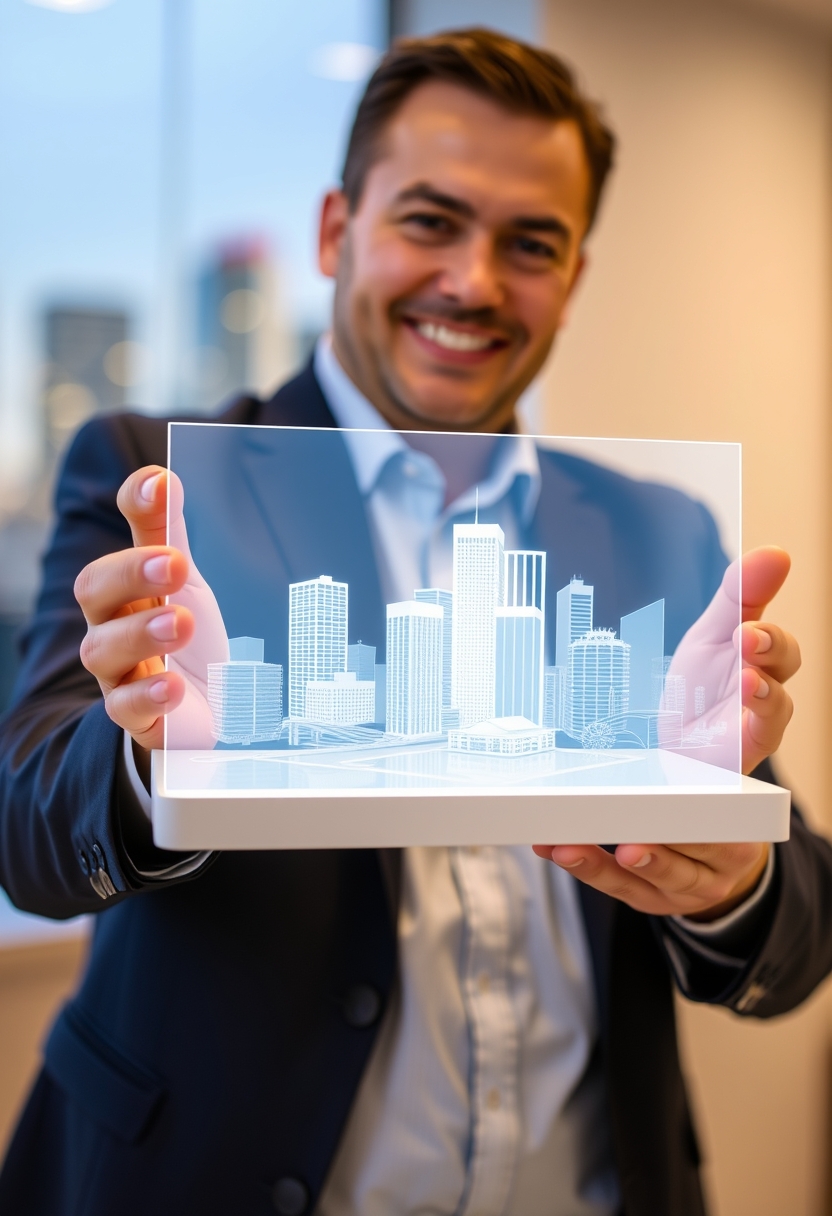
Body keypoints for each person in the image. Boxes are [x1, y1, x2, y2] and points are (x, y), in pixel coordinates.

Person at [0, 27, 828, 1216]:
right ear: (338, 232)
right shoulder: (161, 480)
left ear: (575, 277)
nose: (475, 282)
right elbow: (28, 824)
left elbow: (796, 925)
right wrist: (150, 755)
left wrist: (731, 877)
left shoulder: (661, 531)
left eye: (530, 243)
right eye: (430, 221)